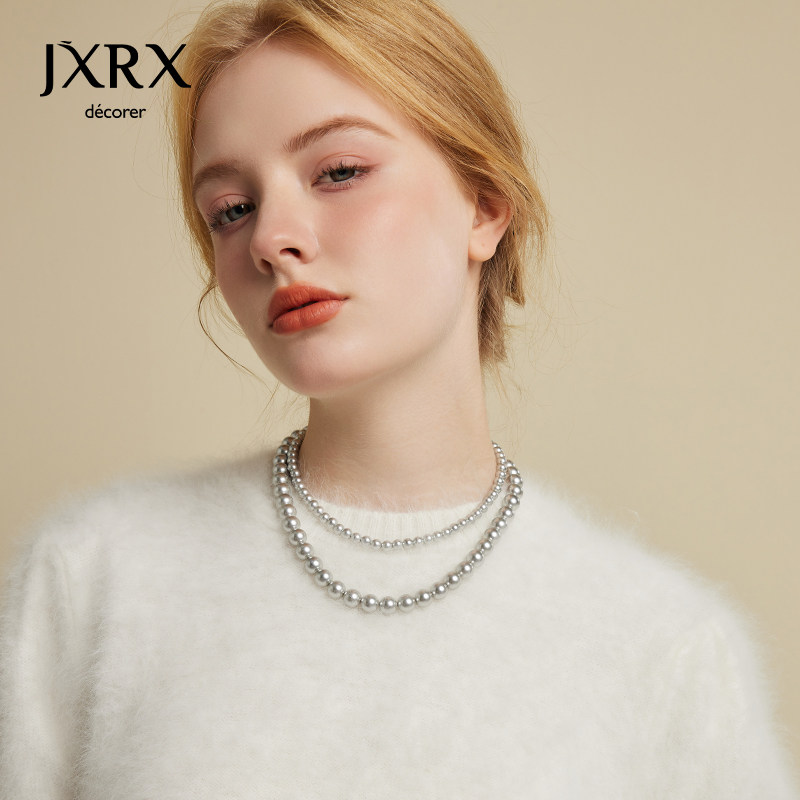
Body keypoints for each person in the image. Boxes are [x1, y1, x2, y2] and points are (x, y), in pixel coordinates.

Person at [1, 0, 797, 797]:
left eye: (339, 171)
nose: (271, 238)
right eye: (231, 210)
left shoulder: (669, 647)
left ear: (484, 205)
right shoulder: (92, 578)